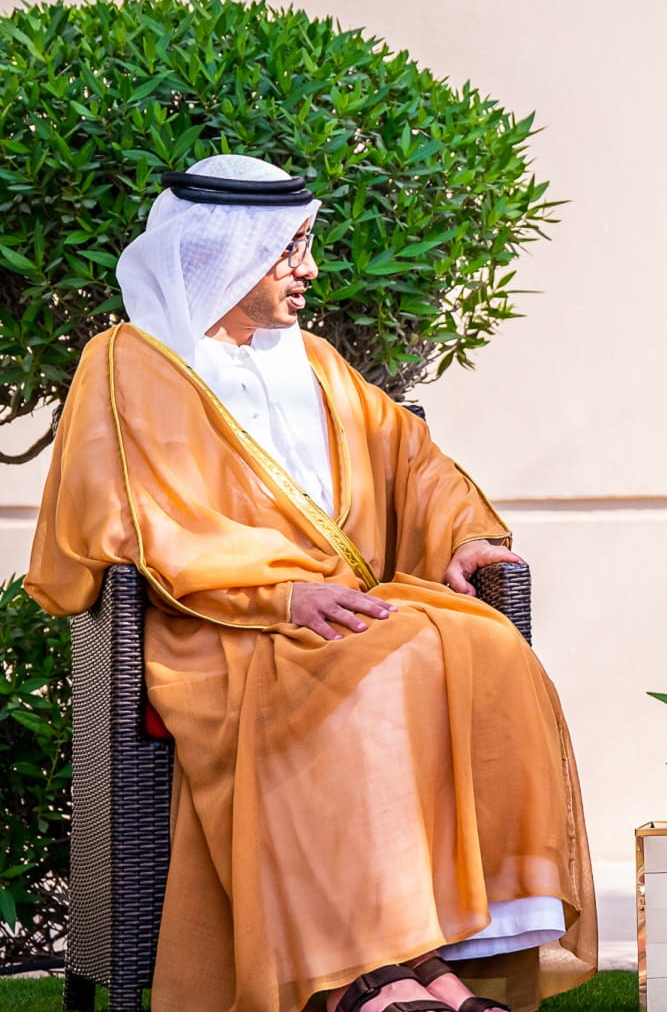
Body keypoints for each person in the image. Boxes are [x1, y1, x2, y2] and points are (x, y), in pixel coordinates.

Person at [27, 155, 597, 1012]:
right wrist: (281, 595)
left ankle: (425, 959)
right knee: (373, 663)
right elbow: (132, 514)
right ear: (224, 252)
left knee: (480, 640)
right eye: (290, 249)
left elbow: (411, 460)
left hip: (334, 607)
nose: (311, 270)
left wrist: (467, 535)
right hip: (216, 626)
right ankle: (351, 977)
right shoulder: (128, 362)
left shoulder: (315, 362)